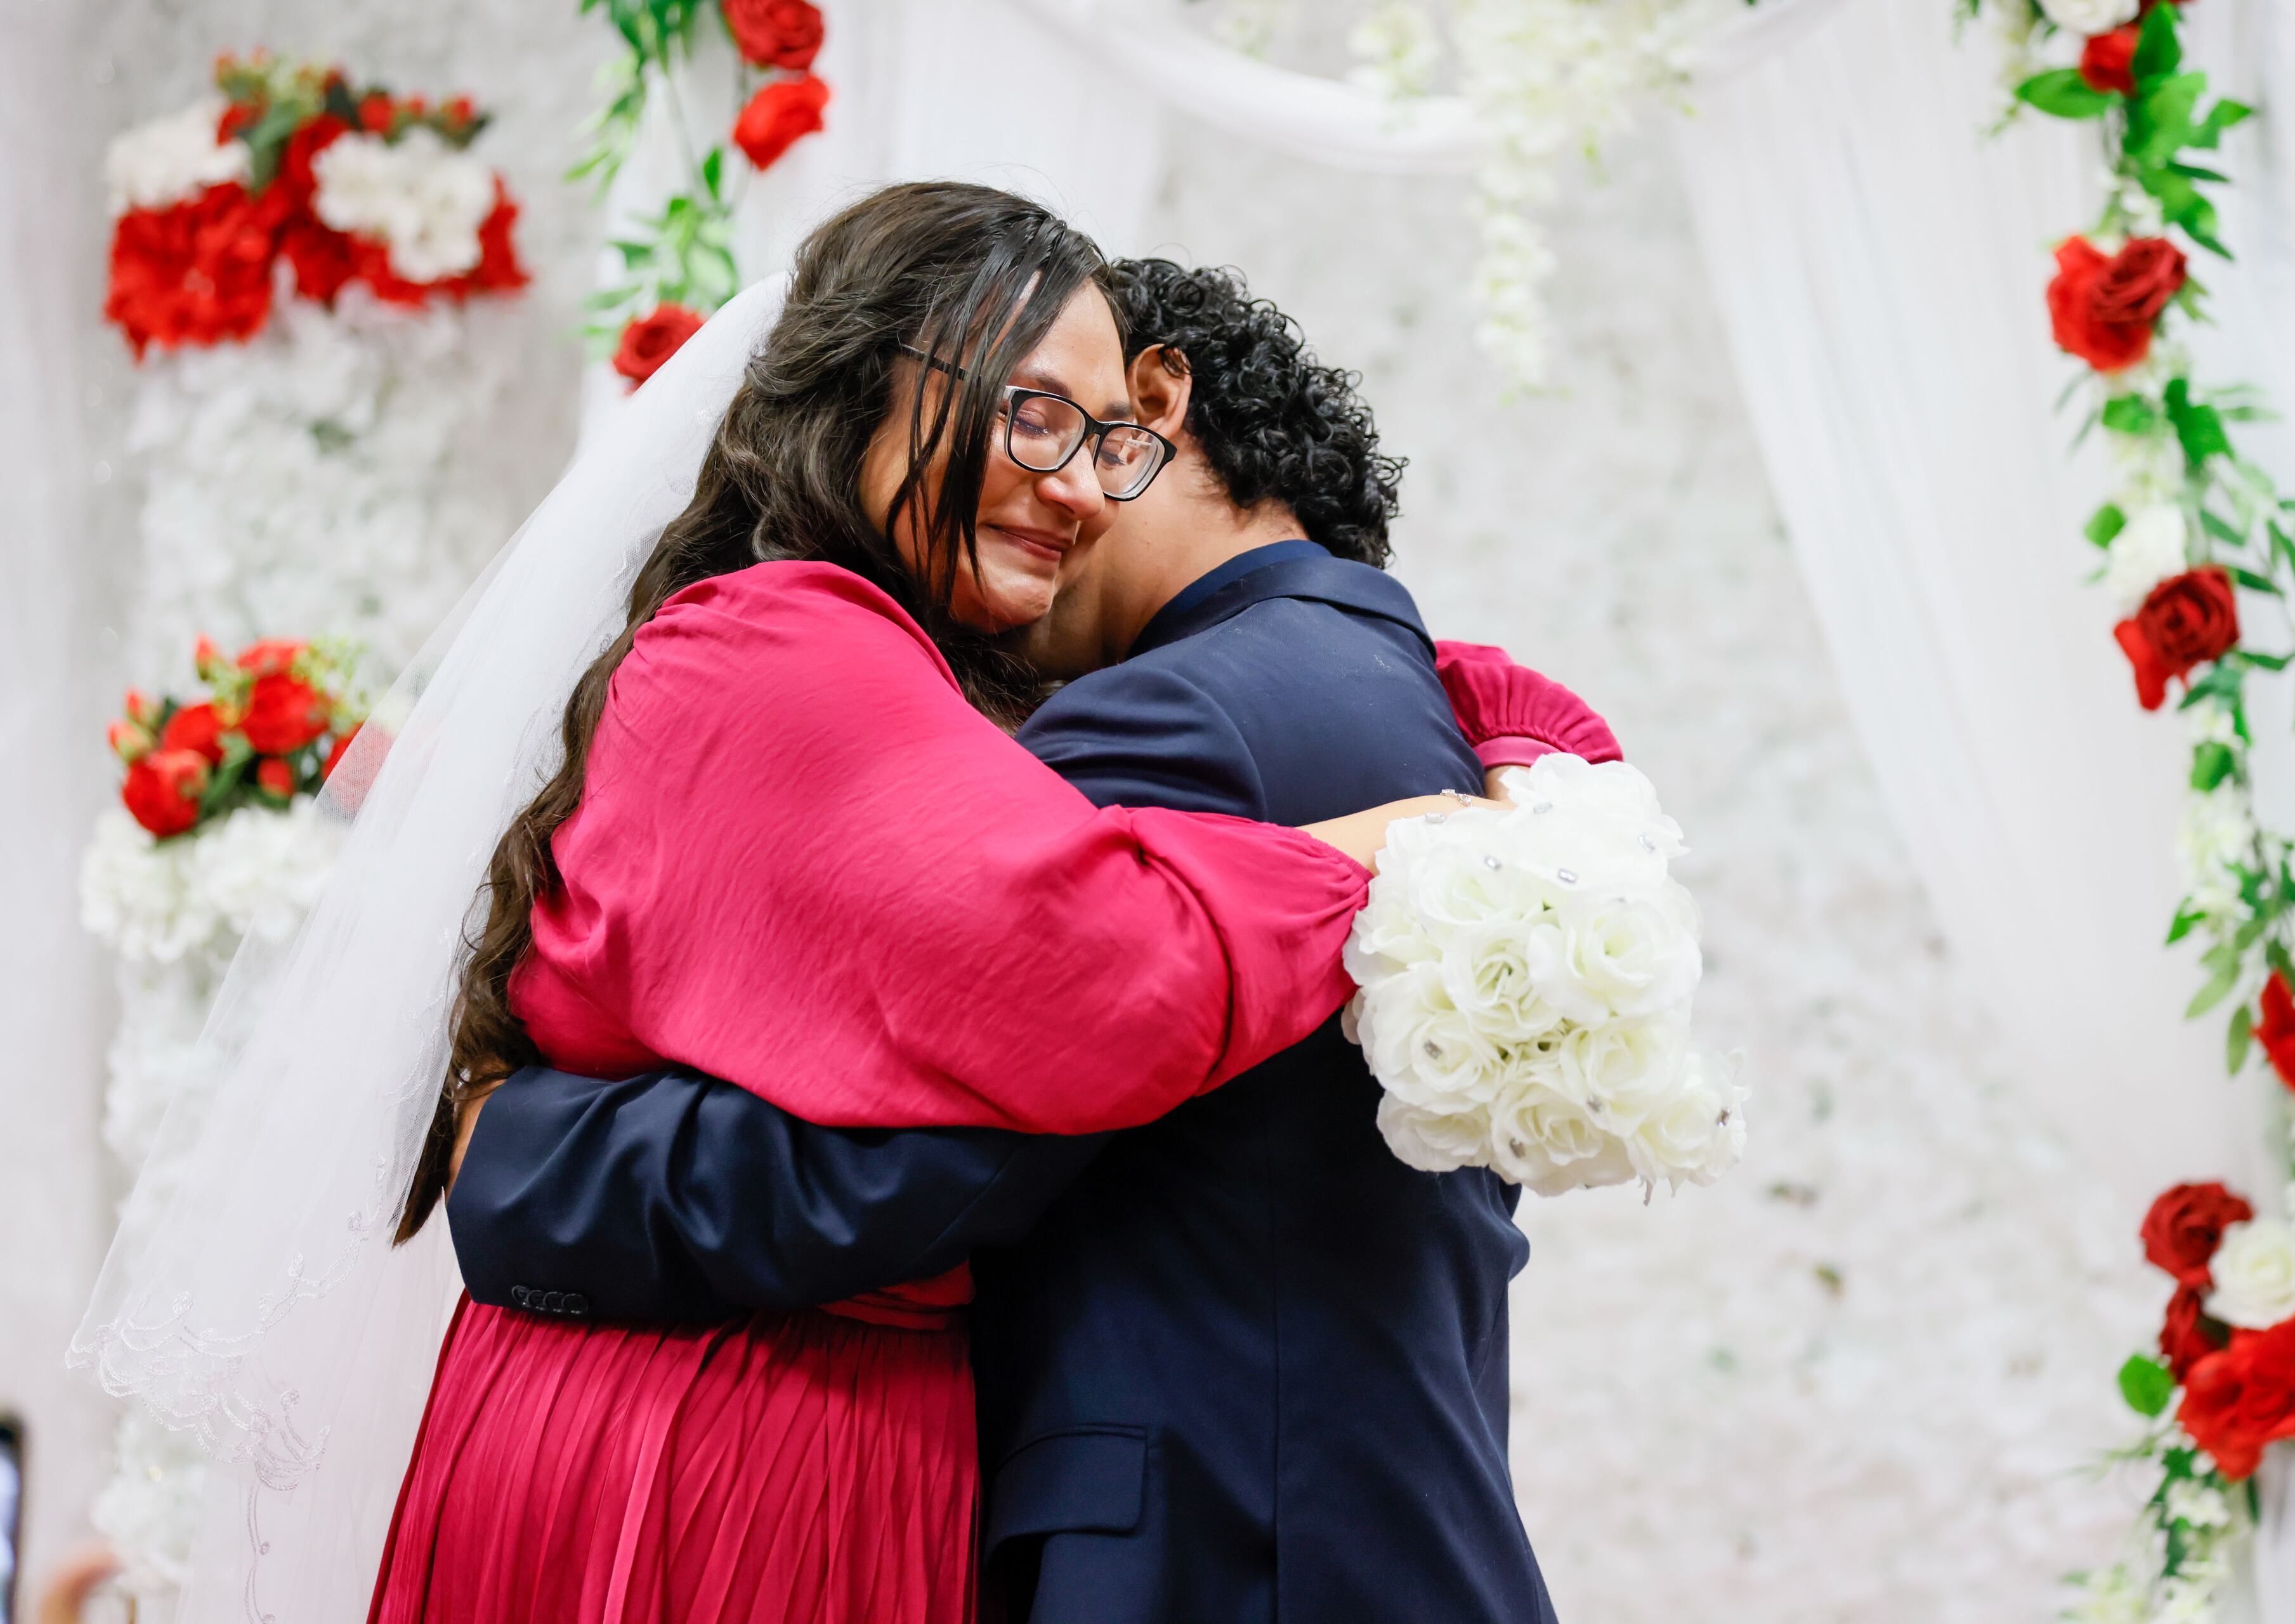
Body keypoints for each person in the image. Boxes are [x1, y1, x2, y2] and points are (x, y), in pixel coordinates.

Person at [360, 187, 1507, 1624]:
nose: (1084, 488)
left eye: (1106, 441)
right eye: (1035, 414)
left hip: (807, 1412)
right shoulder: (782, 644)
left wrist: (530, 1159)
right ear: (866, 385)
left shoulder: (924, 676)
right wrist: (1380, 851)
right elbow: (1084, 977)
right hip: (719, 1426)